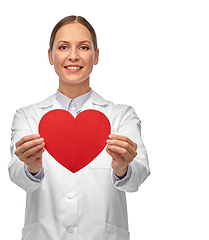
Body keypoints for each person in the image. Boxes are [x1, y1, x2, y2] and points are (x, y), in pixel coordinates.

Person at [9, 15, 150, 240]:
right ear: (50, 56)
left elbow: (137, 178)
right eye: (63, 47)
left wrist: (123, 168)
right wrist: (31, 168)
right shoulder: (28, 116)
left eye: (83, 47)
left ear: (96, 56)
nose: (73, 56)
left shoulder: (121, 115)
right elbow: (18, 176)